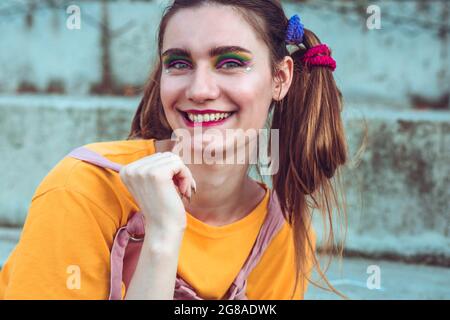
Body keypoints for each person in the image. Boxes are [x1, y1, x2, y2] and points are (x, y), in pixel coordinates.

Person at [0, 0, 347, 300]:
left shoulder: (281, 231)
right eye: (179, 63)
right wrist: (162, 235)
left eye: (231, 62)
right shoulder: (82, 189)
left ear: (280, 79)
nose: (199, 90)